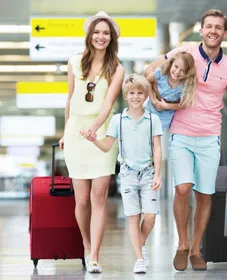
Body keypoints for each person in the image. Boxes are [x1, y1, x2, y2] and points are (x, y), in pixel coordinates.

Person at [144, 9, 227, 271]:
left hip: (210, 136)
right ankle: (182, 245)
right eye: (209, 26)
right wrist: (160, 99)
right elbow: (150, 70)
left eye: (218, 27)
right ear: (201, 30)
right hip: (180, 133)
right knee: (182, 189)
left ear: (225, 33)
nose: (213, 31)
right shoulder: (185, 52)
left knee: (204, 194)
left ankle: (195, 250)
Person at [58, 11, 125, 273]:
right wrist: (67, 131)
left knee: (99, 196)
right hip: (76, 133)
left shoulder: (117, 68)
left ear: (112, 38)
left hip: (101, 134)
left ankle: (95, 255)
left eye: (106, 33)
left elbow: (108, 104)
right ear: (89, 35)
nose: (101, 37)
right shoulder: (75, 62)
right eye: (97, 32)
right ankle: (86, 244)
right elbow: (70, 99)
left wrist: (94, 128)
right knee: (82, 200)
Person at [90, 74, 163, 274]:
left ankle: (141, 244)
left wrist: (158, 174)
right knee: (133, 216)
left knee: (149, 216)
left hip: (148, 173)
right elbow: (106, 146)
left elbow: (157, 148)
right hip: (128, 174)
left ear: (146, 95)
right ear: (126, 95)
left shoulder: (152, 119)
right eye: (132, 93)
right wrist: (94, 139)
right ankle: (139, 258)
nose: (136, 97)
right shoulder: (118, 120)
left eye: (140, 93)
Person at [146, 51, 197, 130]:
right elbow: (147, 81)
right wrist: (153, 99)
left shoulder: (184, 85)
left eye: (182, 70)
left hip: (166, 116)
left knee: (157, 136)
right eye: (176, 66)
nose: (177, 72)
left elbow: (184, 105)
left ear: (187, 72)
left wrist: (165, 106)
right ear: (172, 63)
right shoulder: (161, 73)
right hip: (151, 109)